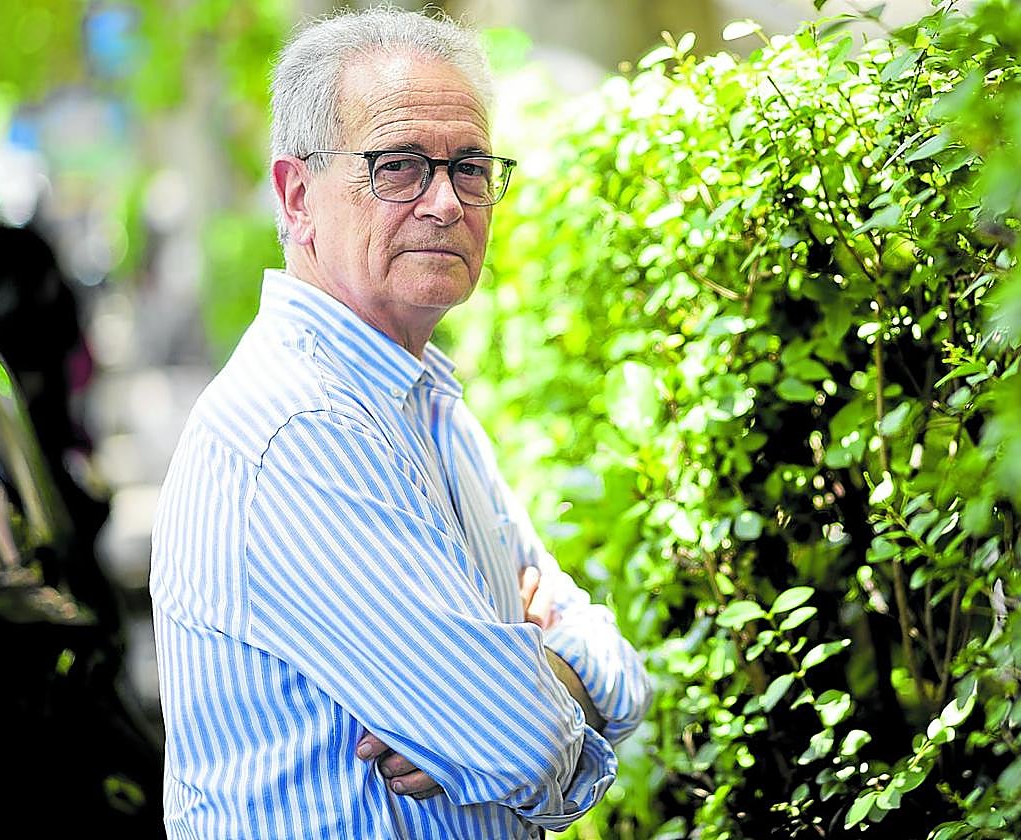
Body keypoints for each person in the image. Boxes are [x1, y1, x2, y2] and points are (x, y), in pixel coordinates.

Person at [150, 6, 651, 838]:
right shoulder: (301, 430)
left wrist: (543, 672)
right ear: (297, 195)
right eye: (400, 166)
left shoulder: (425, 405)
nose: (447, 202)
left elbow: (620, 678)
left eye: (471, 166)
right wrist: (530, 679)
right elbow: (521, 744)